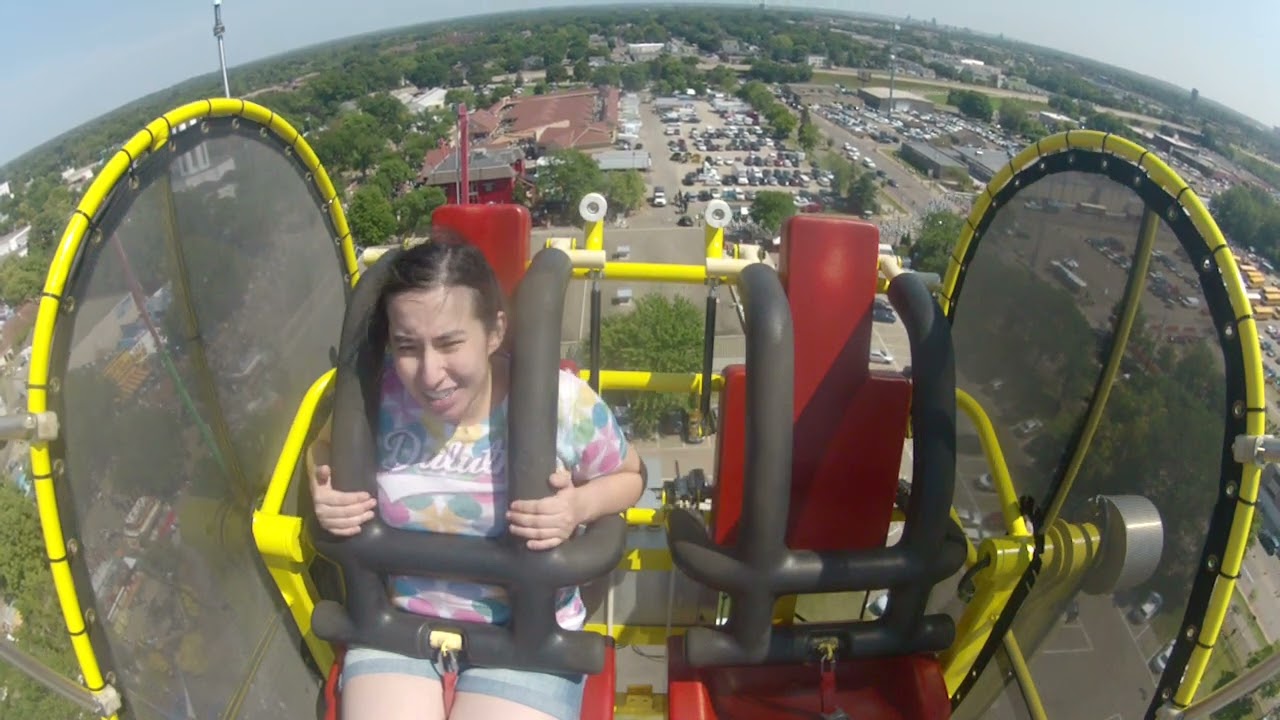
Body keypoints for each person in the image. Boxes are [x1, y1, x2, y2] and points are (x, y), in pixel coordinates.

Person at [306, 233, 646, 720]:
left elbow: (630, 476)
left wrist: (577, 507)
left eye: (449, 343)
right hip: (397, 624)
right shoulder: (376, 398)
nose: (429, 374)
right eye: (407, 347)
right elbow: (323, 448)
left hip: (524, 634)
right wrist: (321, 484)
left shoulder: (560, 401)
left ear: (493, 332)